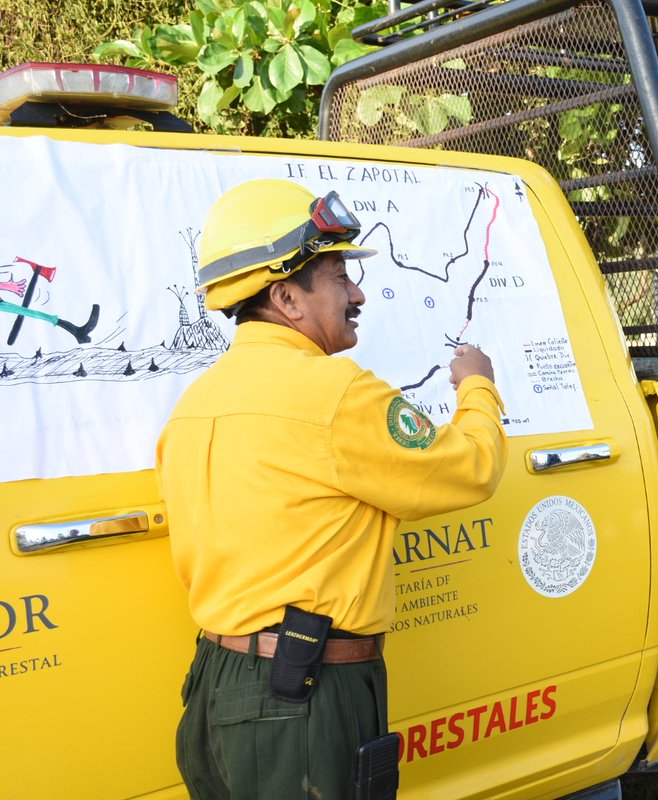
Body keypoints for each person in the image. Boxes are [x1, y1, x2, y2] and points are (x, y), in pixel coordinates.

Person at [156, 178, 507, 799]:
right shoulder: (336, 393)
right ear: (287, 297)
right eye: (341, 276)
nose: (358, 292)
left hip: (216, 682)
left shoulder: (194, 403)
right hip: (302, 694)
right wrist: (477, 386)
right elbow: (472, 467)